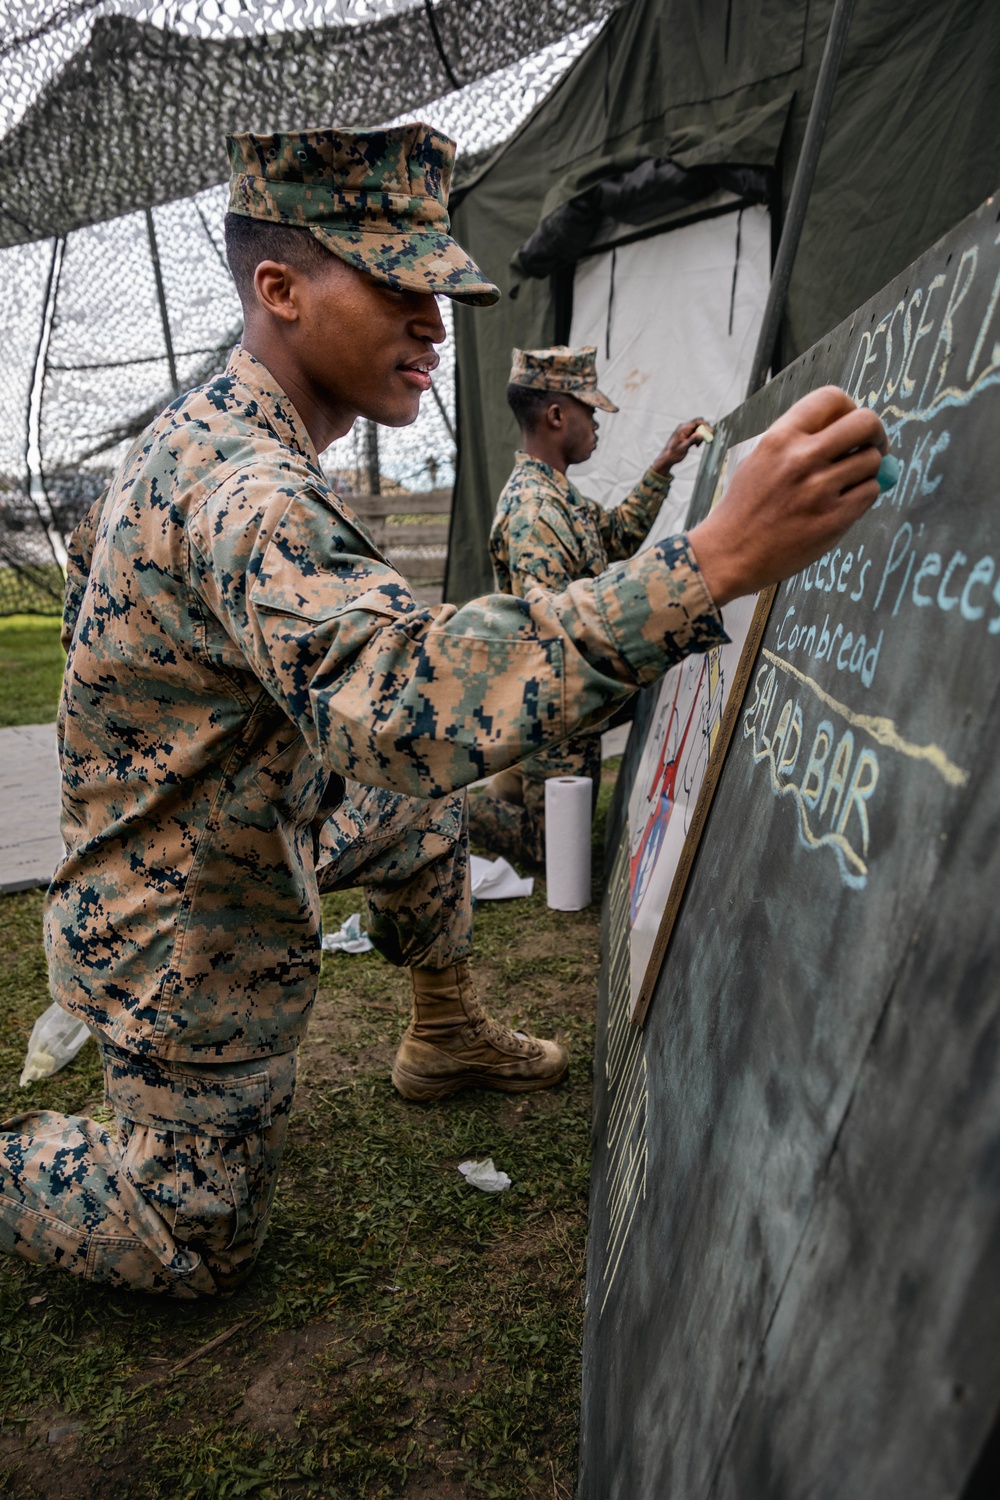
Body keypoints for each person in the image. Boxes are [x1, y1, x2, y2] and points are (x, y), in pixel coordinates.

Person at [0, 122, 887, 1298]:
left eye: (439, 290)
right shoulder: (245, 484)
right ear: (280, 289)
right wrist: (711, 562)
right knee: (190, 1238)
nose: (435, 322)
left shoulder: (227, 434)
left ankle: (446, 1032)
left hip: (262, 812)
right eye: (397, 286)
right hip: (181, 917)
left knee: (423, 824)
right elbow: (403, 707)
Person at [469, 344, 709, 867]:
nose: (597, 424)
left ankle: (512, 782)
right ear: (557, 415)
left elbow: (617, 535)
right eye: (591, 412)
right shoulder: (537, 509)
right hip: (551, 706)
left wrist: (663, 464)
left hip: (562, 707)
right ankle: (447, 811)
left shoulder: (561, 498)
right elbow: (551, 634)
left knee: (566, 832)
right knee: (551, 849)